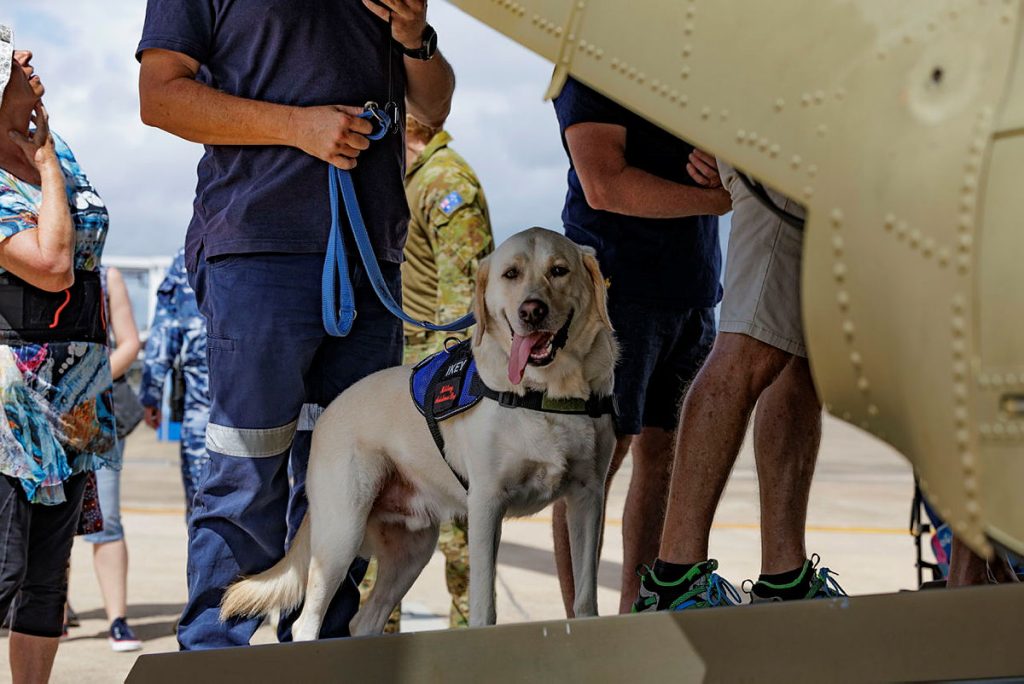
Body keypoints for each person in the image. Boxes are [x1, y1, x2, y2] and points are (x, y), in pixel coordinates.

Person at [136, 0, 455, 649]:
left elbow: (436, 106)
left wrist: (414, 37)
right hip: (259, 255)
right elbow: (160, 96)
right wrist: (297, 128)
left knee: (353, 485)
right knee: (245, 473)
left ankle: (322, 653)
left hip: (371, 266)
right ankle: (215, 657)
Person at [550, 76, 731, 615]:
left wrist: (730, 164)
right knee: (596, 460)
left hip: (693, 288)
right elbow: (605, 184)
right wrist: (721, 197)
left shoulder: (689, 61)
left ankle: (640, 610)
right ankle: (579, 624)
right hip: (615, 293)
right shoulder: (591, 60)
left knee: (663, 457)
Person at [635, 162, 846, 611]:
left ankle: (784, 576)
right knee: (746, 349)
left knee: (798, 359)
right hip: (790, 151)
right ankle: (675, 579)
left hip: (828, 163)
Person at [0, 32, 118, 682]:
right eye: (9, 57)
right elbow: (49, 264)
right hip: (9, 395)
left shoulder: (56, 143)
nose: (25, 58)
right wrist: (45, 166)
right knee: (3, 569)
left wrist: (47, 155)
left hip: (76, 389)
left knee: (48, 580)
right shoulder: (46, 158)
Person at [359, 113, 493, 632]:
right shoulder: (410, 180)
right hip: (409, 373)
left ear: (407, 126)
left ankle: (467, 642)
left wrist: (440, 399)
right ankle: (378, 645)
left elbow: (465, 307)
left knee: (461, 526)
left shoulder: (444, 183)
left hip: (439, 385)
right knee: (388, 523)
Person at [79, 265, 143, 652]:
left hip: (97, 416)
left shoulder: (108, 277)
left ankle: (117, 618)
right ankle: (51, 610)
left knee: (107, 518)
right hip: (33, 411)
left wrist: (83, 387)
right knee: (40, 520)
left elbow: (129, 343)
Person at [138, 247, 211, 517]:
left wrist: (150, 397)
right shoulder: (273, 240)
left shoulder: (189, 256)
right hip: (273, 410)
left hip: (204, 416)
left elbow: (162, 338)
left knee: (202, 509)